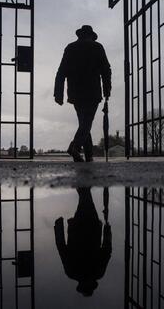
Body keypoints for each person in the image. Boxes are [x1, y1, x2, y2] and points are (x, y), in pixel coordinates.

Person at [54, 25, 112, 162]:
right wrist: (107, 90)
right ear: (91, 35)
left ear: (80, 35)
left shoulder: (70, 48)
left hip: (75, 92)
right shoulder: (97, 47)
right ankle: (75, 146)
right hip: (92, 91)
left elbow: (61, 71)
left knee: (84, 122)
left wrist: (58, 93)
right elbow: (106, 70)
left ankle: (89, 155)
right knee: (87, 122)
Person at [54, 187, 112, 296]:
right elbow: (61, 248)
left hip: (92, 229)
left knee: (86, 201)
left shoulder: (98, 272)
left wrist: (107, 231)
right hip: (78, 230)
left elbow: (106, 250)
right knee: (85, 200)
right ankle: (83, 183)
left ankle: (83, 182)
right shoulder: (72, 272)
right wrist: (59, 228)